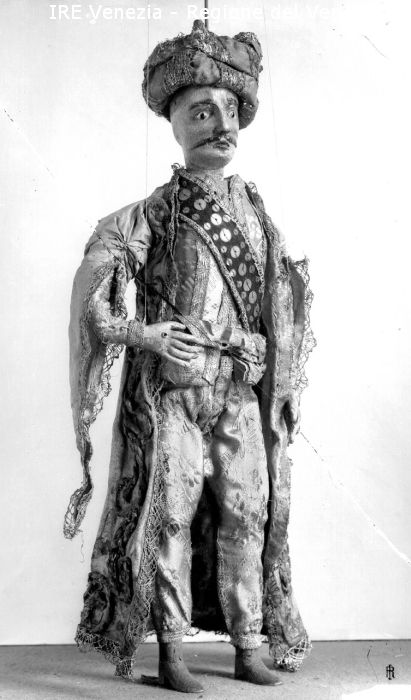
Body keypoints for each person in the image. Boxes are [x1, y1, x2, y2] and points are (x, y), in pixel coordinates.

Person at [65, 20, 315, 693]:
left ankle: (247, 645)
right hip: (172, 393)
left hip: (238, 392)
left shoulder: (258, 216)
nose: (220, 124)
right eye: (202, 112)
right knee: (169, 518)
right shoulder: (149, 214)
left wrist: (278, 364)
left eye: (230, 110)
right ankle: (171, 653)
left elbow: (284, 303)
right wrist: (146, 336)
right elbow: (95, 300)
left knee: (247, 517)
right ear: (172, 121)